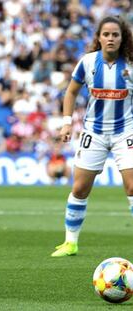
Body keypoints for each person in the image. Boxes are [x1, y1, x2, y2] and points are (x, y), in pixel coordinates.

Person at [51, 16, 133, 257]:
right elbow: (71, 92)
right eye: (106, 34)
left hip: (125, 132)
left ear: (122, 38)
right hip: (93, 133)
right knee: (80, 188)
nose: (110, 38)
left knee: (132, 186)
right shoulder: (88, 63)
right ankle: (70, 243)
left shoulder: (130, 65)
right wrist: (67, 123)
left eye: (115, 35)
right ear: (98, 37)